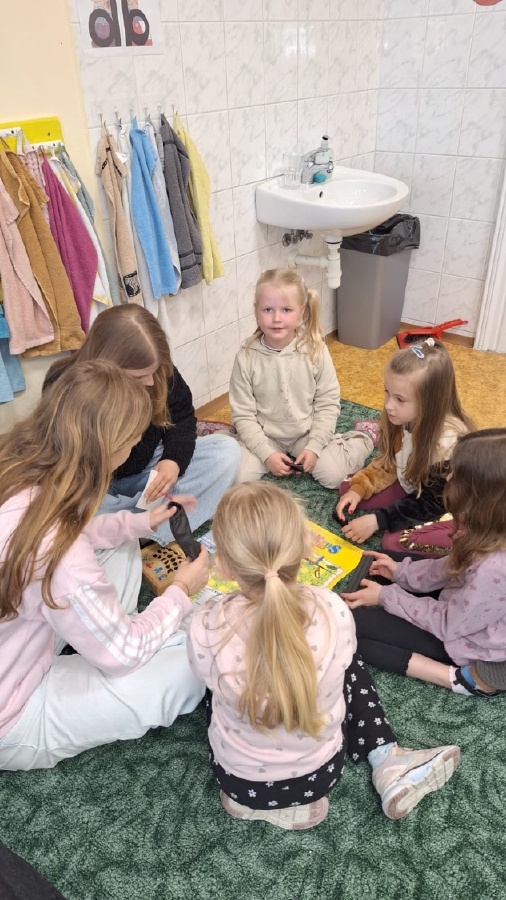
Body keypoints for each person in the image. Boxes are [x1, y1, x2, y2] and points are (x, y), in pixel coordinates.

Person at [187, 482, 460, 831]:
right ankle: (386, 757)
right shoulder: (330, 609)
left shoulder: (207, 624)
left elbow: (202, 674)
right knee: (346, 662)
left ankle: (245, 805)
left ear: (223, 567)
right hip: (322, 775)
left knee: (216, 686)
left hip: (238, 782)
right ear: (305, 546)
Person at [0, 361, 209, 771]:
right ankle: (114, 632)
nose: (135, 449)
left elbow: (72, 533)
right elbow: (123, 654)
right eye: (133, 440)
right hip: (13, 711)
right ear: (107, 447)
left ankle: (105, 630)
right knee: (191, 662)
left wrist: (139, 523)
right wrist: (181, 591)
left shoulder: (18, 464)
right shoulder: (60, 555)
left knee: (122, 544)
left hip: (21, 636)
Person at [43, 304, 240, 546]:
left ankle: (138, 532)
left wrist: (173, 461)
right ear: (107, 365)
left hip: (147, 470)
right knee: (67, 517)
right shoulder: (64, 385)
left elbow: (182, 418)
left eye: (153, 372)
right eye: (137, 377)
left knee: (226, 452)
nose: (149, 383)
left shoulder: (158, 372)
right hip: (97, 485)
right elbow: (65, 469)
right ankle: (138, 526)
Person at [341, 429, 506, 698]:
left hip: (470, 641)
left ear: (482, 497)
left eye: (456, 475)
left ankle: (467, 680)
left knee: (354, 625)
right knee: (383, 561)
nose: (447, 478)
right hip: (467, 606)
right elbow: (452, 566)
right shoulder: (485, 526)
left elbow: (449, 623)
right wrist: (401, 573)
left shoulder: (494, 567)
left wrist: (387, 596)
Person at [228, 268, 373, 487]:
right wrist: (266, 454)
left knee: (333, 476)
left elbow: (327, 403)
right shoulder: (245, 358)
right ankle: (226, 439)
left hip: (306, 433)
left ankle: (363, 437)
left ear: (302, 311)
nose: (277, 318)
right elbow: (243, 414)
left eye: (286, 310)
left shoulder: (315, 351)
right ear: (256, 310)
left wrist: (314, 446)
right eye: (268, 309)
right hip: (266, 436)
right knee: (237, 478)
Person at [334, 337, 474, 557]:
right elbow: (390, 460)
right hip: (414, 485)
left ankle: (463, 544)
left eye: (400, 399)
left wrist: (379, 520)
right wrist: (359, 488)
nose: (388, 405)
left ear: (430, 402)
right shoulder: (402, 417)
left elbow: (433, 504)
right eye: (387, 392)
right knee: (348, 489)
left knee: (394, 543)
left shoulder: (446, 445)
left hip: (448, 507)